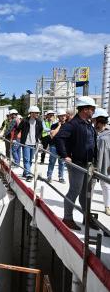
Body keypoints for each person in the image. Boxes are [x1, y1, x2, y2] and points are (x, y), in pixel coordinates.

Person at [55, 96, 98, 230]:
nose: (93, 111)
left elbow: (93, 144)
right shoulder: (72, 124)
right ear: (85, 109)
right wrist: (65, 156)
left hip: (88, 164)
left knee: (86, 193)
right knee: (74, 190)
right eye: (92, 108)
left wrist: (95, 162)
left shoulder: (88, 125)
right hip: (77, 163)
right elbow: (59, 139)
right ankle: (67, 218)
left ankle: (87, 218)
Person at [16, 106, 43, 181]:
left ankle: (25, 172)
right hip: (26, 143)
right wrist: (16, 137)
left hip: (34, 143)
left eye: (38, 113)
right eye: (36, 113)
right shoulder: (25, 121)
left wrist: (39, 138)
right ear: (31, 113)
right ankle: (28, 174)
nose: (38, 114)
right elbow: (18, 129)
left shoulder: (39, 122)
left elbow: (41, 131)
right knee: (26, 159)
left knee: (31, 159)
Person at [94, 108, 110, 215]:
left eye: (95, 121)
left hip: (106, 164)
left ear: (100, 121)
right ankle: (87, 206)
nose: (94, 123)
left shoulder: (109, 134)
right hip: (93, 163)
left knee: (106, 185)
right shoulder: (93, 131)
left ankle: (107, 206)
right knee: (90, 186)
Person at [46, 109, 67, 183]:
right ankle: (49, 176)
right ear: (58, 117)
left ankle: (61, 177)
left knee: (62, 163)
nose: (63, 117)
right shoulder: (54, 125)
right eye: (61, 116)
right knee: (52, 161)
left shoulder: (68, 125)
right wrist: (59, 126)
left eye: (64, 115)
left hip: (63, 147)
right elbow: (52, 135)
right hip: (54, 146)